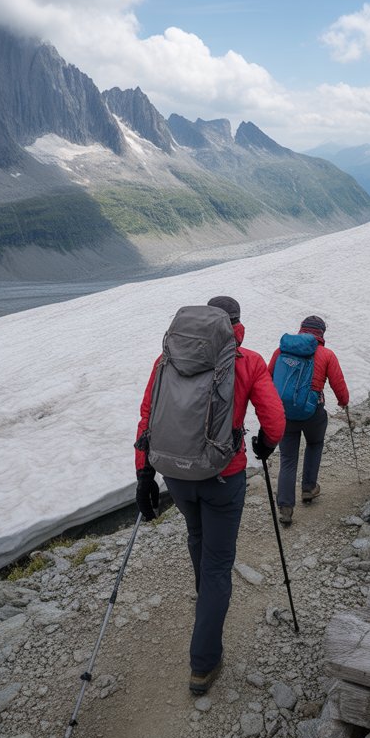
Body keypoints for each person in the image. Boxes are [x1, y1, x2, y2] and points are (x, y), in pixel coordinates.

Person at [134, 295, 285, 696]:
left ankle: (207, 604)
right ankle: (203, 664)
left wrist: (143, 474)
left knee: (197, 537)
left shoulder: (166, 360)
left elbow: (148, 416)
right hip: (224, 476)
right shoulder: (247, 361)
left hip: (175, 476)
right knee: (219, 564)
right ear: (236, 324)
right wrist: (266, 445)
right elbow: (275, 420)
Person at [268, 315, 349, 526]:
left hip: (285, 414)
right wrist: (344, 402)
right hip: (313, 413)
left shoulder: (281, 351)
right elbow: (338, 384)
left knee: (288, 459)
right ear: (321, 334)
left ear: (301, 329)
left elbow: (267, 379)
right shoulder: (326, 354)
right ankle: (309, 489)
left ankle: (285, 507)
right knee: (314, 444)